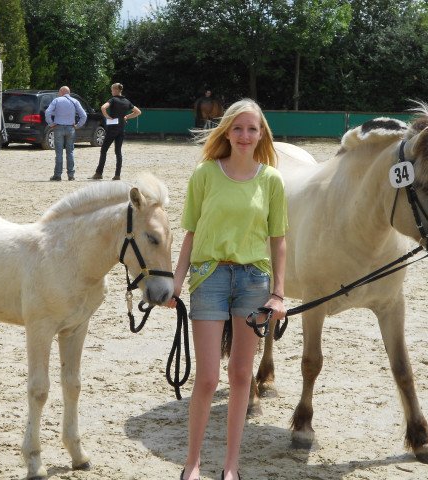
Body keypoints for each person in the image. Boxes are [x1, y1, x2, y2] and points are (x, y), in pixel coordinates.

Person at [168, 99, 288, 480]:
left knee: (241, 376)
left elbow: (278, 240)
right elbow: (189, 233)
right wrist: (175, 279)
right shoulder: (205, 173)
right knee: (206, 379)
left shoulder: (271, 179)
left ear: (261, 134)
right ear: (226, 132)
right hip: (210, 278)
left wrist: (279, 293)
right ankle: (193, 463)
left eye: (252, 129)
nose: (245, 136)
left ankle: (231, 467)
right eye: (238, 128)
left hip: (254, 281)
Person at [90, 83, 141, 180]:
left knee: (104, 150)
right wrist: (127, 116)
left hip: (112, 128)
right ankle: (117, 175)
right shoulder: (127, 101)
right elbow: (138, 112)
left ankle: (99, 173)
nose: (111, 91)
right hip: (121, 129)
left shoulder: (113, 100)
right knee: (118, 152)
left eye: (112, 90)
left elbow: (103, 107)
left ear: (116, 90)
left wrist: (106, 116)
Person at [44, 86, 87, 181]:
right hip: (70, 128)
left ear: (62, 91)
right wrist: (78, 125)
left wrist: (51, 123)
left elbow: (47, 112)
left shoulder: (57, 100)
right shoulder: (75, 101)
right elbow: (83, 115)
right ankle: (71, 175)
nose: (58, 93)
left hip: (58, 127)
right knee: (70, 152)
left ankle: (57, 175)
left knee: (59, 152)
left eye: (59, 91)